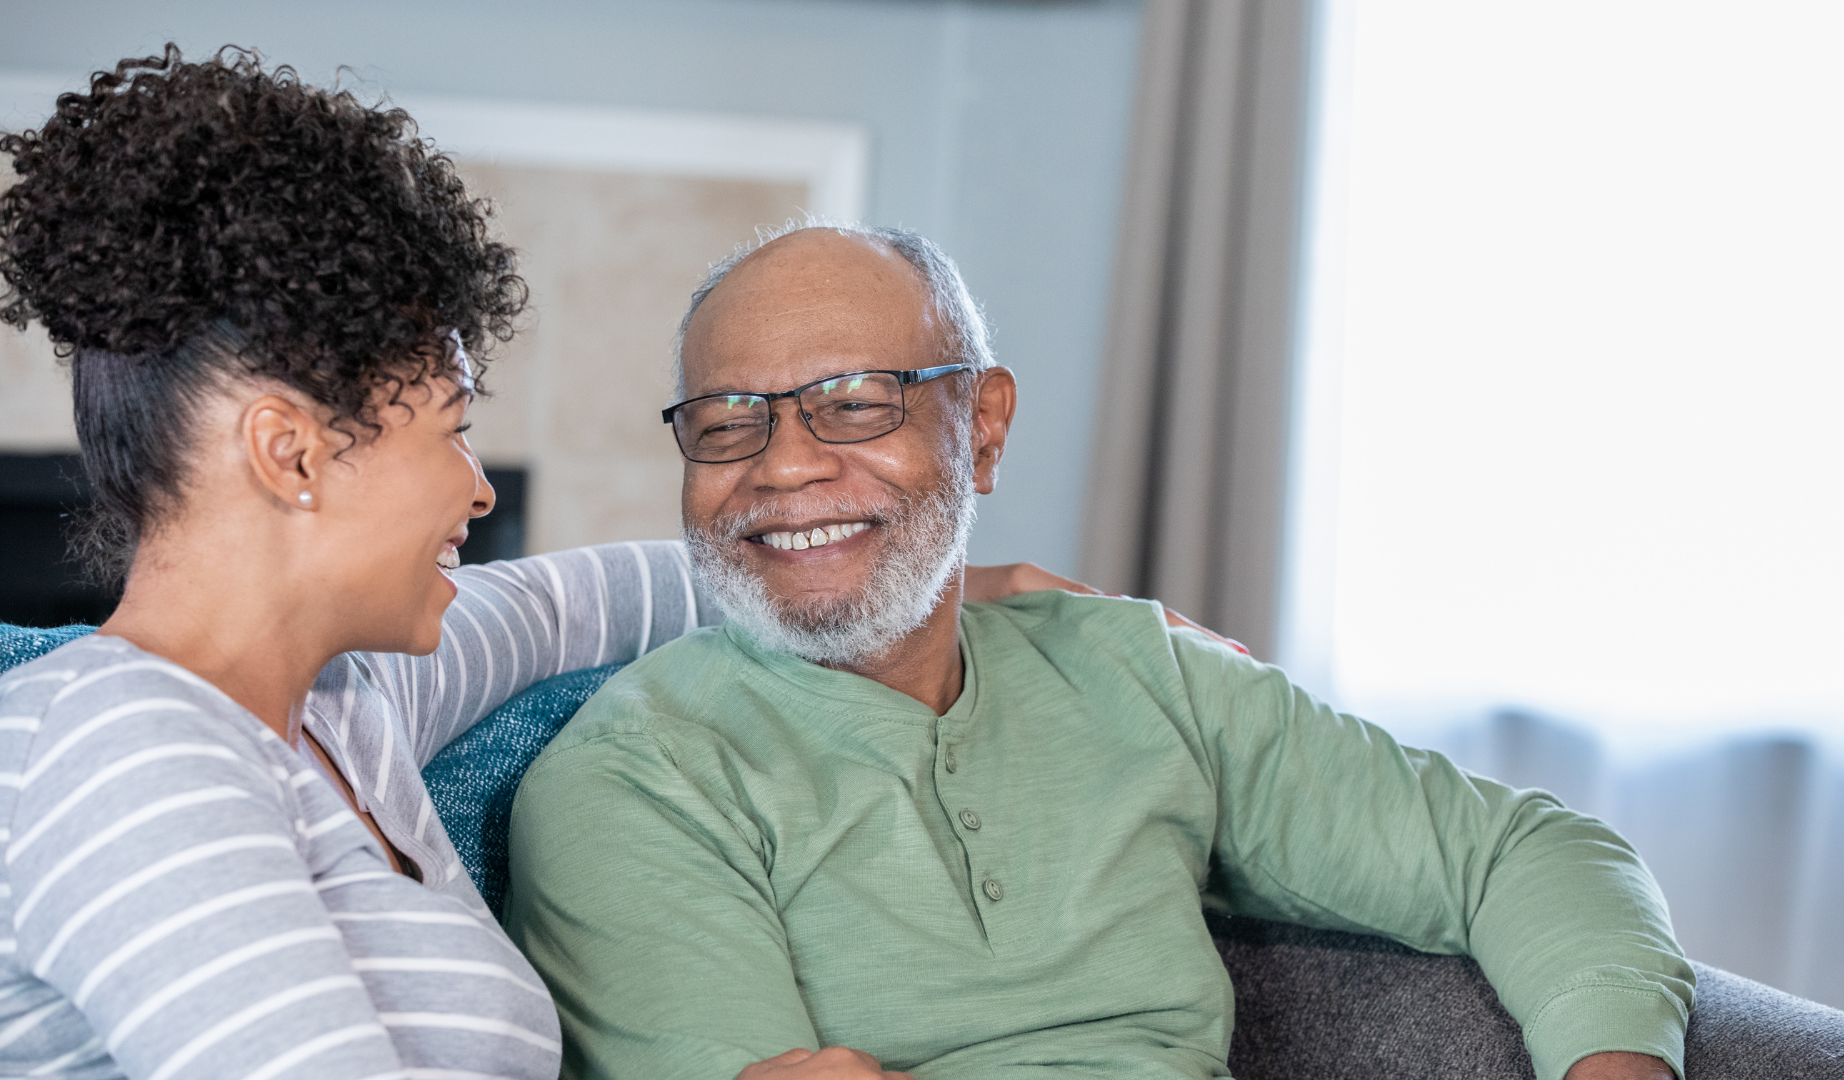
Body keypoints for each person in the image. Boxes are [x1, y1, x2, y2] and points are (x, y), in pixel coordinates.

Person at [0, 48, 1084, 1080]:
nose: (477, 488)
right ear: (292, 453)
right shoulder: (128, 747)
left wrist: (927, 584)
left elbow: (595, 599)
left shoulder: (345, 704)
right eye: (451, 428)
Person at [505, 223, 1697, 1080]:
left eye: (856, 403)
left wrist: (1613, 1061)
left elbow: (1522, 855)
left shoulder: (1140, 672)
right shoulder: (632, 775)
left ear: (982, 427)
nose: (784, 465)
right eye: (728, 423)